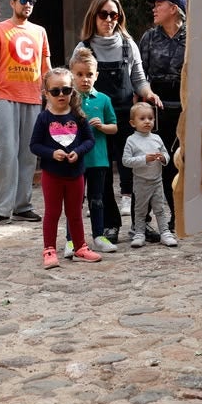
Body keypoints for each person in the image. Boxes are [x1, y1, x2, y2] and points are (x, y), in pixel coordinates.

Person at [73, 0, 161, 243]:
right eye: (104, 14)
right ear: (94, 16)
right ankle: (110, 225)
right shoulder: (84, 47)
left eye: (114, 15)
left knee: (133, 172)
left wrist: (149, 94)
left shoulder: (128, 44)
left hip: (126, 117)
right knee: (100, 173)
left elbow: (139, 80)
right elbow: (76, 82)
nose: (109, 19)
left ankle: (140, 223)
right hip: (96, 121)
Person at [0, 0, 51, 227]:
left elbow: (46, 66)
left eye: (31, 1)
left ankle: (23, 206)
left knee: (29, 155)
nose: (27, 5)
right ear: (12, 3)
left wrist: (54, 91)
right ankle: (1, 208)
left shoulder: (40, 32)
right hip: (5, 97)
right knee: (5, 154)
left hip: (33, 98)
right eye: (23, 0)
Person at [29, 67, 101, 269]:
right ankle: (49, 249)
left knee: (75, 212)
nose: (61, 95)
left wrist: (78, 152)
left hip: (75, 174)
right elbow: (34, 145)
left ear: (72, 91)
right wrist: (52, 153)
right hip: (52, 175)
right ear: (46, 93)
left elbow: (90, 140)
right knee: (52, 212)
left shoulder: (78, 115)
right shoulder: (44, 118)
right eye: (55, 91)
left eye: (66, 90)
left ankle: (80, 246)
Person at [137, 0, 187, 232]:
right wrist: (145, 99)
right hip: (156, 107)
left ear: (174, 8)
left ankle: (182, 215)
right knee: (156, 162)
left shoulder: (194, 37)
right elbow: (139, 75)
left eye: (159, 3)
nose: (154, 8)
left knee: (181, 163)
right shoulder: (149, 37)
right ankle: (145, 222)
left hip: (185, 108)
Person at [62, 47, 118, 258]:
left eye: (89, 74)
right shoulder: (67, 99)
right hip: (75, 159)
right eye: (79, 74)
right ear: (71, 74)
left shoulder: (103, 99)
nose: (84, 79)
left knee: (97, 199)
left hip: (99, 159)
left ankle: (98, 236)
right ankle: (71, 240)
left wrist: (102, 126)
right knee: (74, 201)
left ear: (96, 75)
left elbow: (114, 127)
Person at [121, 102, 178, 248]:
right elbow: (126, 161)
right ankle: (139, 233)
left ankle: (165, 232)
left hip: (157, 180)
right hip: (140, 182)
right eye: (142, 118)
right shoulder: (131, 140)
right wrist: (144, 159)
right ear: (133, 123)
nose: (147, 121)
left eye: (150, 118)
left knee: (160, 208)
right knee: (140, 210)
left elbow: (166, 154)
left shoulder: (157, 138)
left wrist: (163, 158)